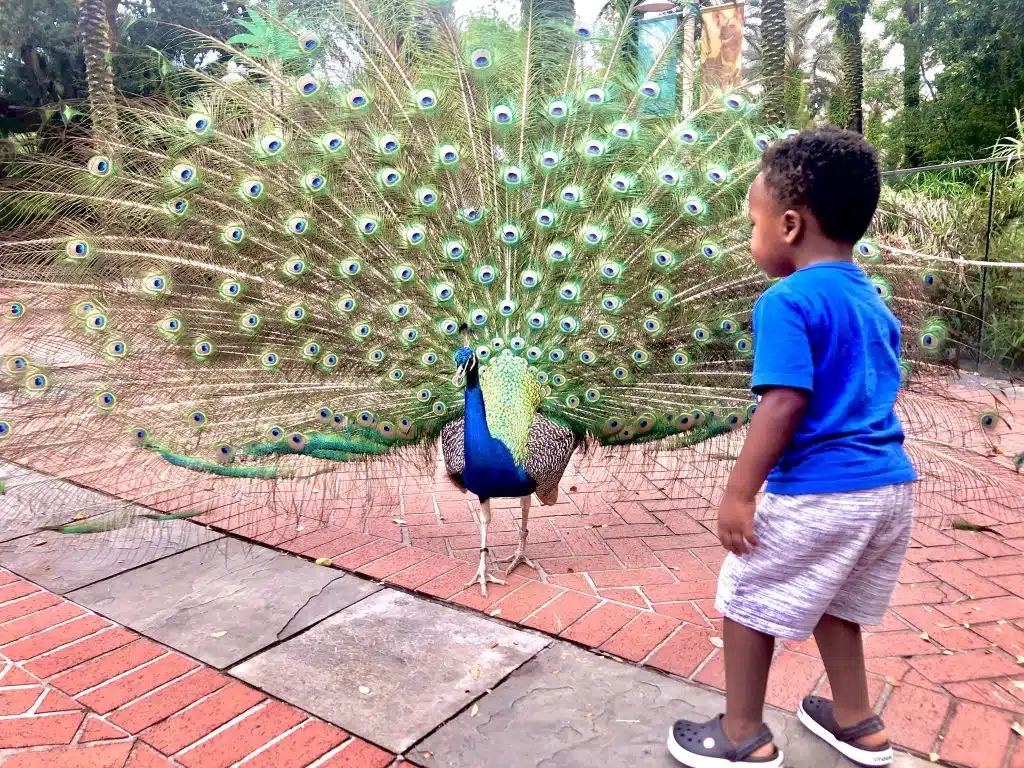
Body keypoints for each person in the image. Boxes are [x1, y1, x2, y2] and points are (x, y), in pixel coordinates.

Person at [667, 127, 917, 768]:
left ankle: (742, 732)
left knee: (746, 599)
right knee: (838, 601)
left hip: (822, 491)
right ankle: (858, 721)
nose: (749, 238)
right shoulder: (873, 301)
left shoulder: (786, 301)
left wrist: (739, 492)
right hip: (889, 490)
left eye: (751, 222)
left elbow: (783, 402)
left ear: (787, 224)